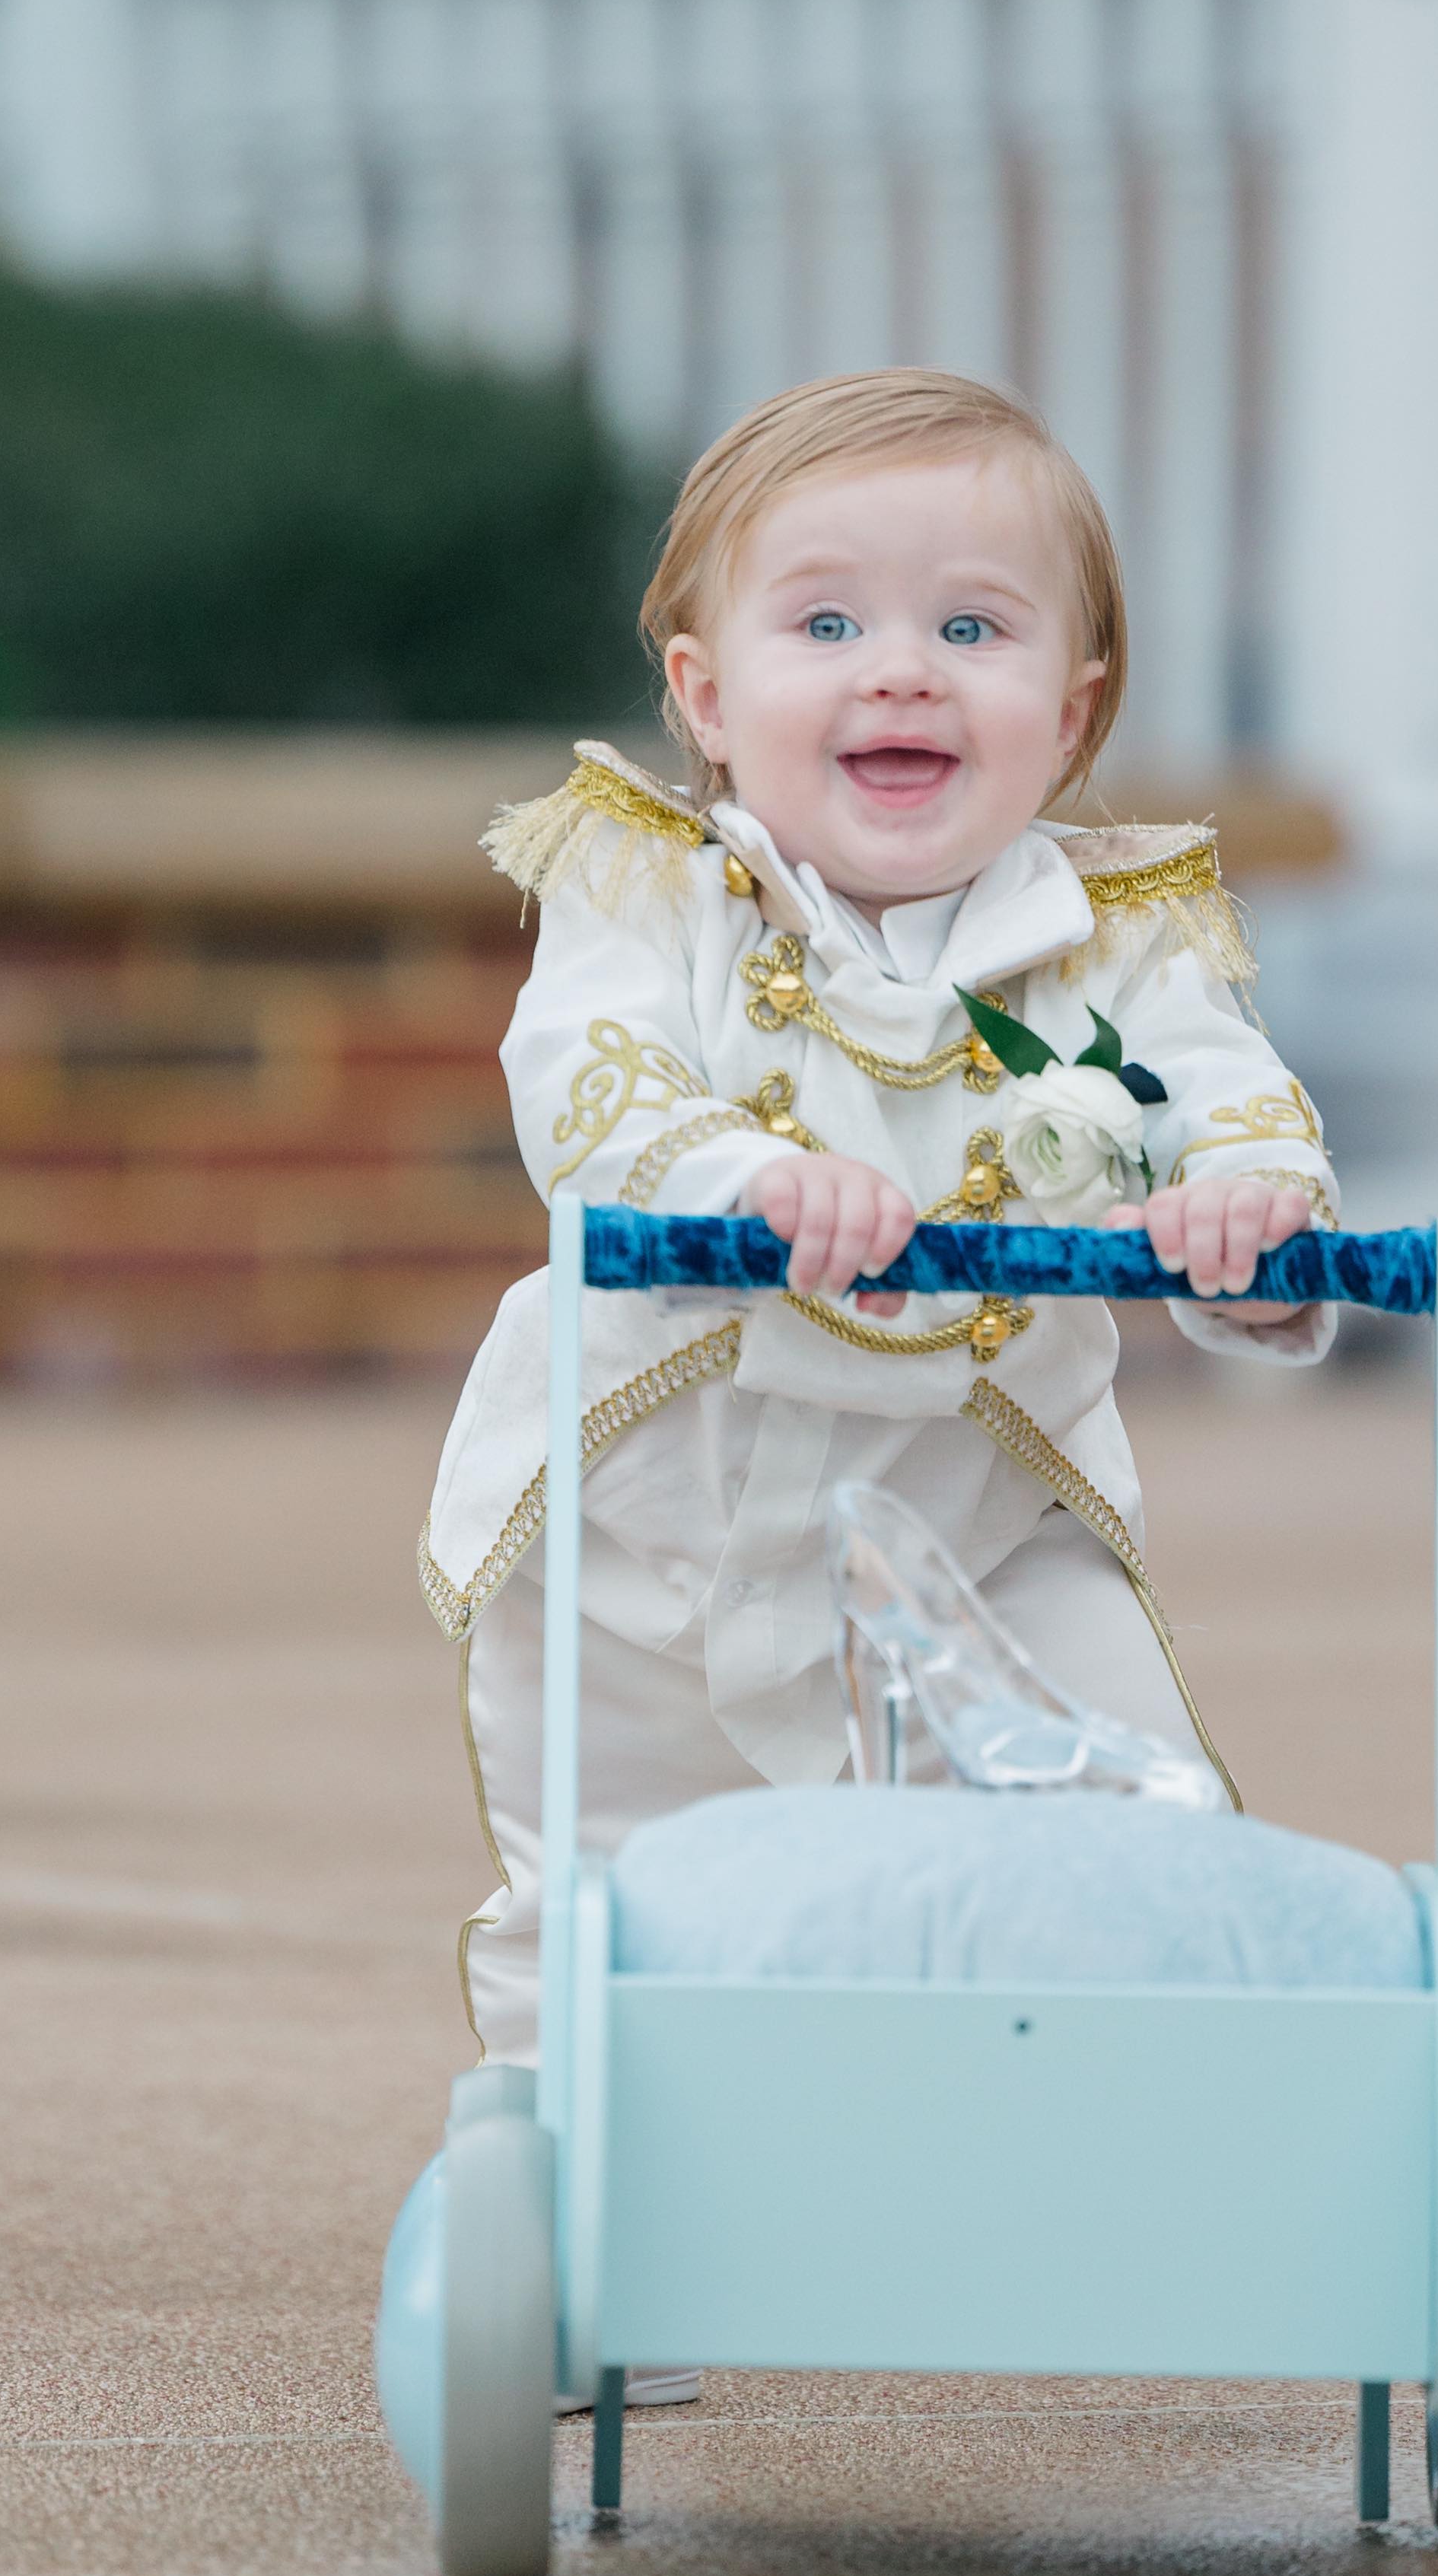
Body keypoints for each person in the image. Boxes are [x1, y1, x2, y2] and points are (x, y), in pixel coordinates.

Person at [420, 368, 1338, 2068]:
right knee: (612, 1896)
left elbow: (1229, 1095)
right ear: (705, 696)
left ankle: (1142, 2126)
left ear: (1073, 711)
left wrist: (1252, 1224)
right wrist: (746, 1184)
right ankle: (573, 2212)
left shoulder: (1121, 942)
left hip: (979, 1508)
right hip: (645, 1516)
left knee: (1148, 1827)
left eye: (974, 630)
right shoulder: (647, 895)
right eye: (826, 620)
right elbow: (589, 1087)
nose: (901, 667)